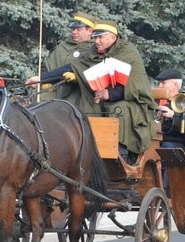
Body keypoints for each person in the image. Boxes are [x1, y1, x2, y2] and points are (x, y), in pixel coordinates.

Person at [27, 20, 156, 161]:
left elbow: (136, 85)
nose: (96, 41)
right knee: (77, 107)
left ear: (113, 37)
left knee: (118, 109)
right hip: (99, 98)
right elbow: (73, 67)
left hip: (131, 100)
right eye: (95, 37)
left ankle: (121, 154)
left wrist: (110, 94)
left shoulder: (127, 52)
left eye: (101, 37)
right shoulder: (93, 53)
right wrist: (41, 79)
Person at [43, 12, 96, 102]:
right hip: (52, 92)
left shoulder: (94, 50)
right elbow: (46, 65)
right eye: (73, 29)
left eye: (78, 29)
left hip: (79, 94)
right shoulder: (62, 47)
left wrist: (77, 77)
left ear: (90, 31)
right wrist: (45, 80)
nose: (74, 32)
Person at [155, 69, 185, 152]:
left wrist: (172, 115)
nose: (160, 86)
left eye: (163, 83)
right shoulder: (155, 101)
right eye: (160, 83)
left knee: (166, 148)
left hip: (175, 143)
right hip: (152, 139)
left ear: (175, 85)